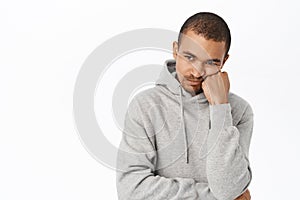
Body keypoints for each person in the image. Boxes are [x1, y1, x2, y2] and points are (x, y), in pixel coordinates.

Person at [116, 12, 253, 200]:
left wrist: (220, 108)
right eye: (189, 57)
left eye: (211, 62)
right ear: (175, 50)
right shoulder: (145, 106)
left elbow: (228, 187)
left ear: (224, 61)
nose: (196, 72)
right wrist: (211, 196)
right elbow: (131, 190)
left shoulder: (239, 111)